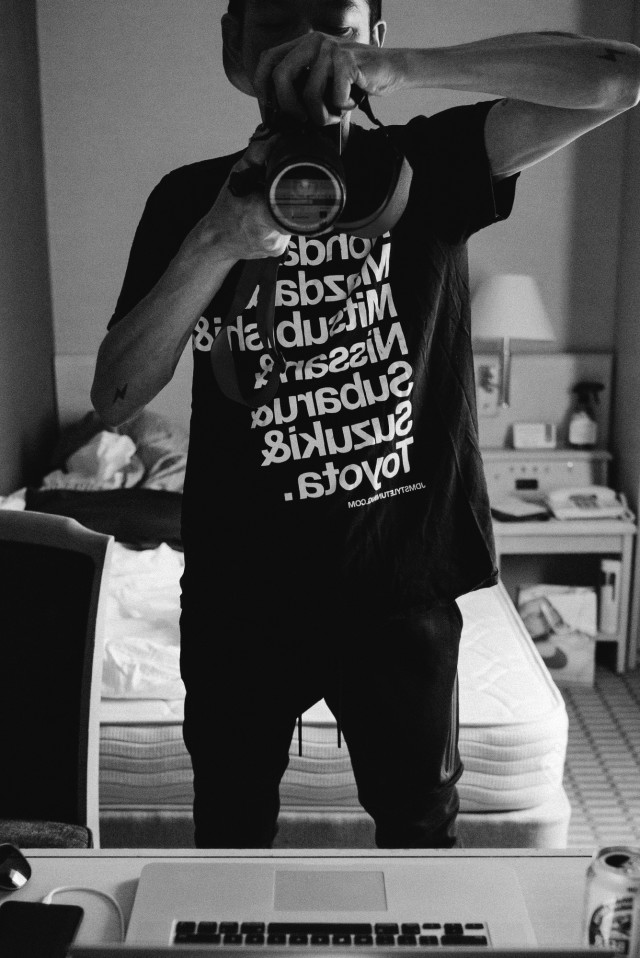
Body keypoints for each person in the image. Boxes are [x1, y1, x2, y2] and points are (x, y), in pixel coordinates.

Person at [91, 0, 640, 848]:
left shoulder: (431, 165)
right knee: (229, 835)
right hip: (240, 592)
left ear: (372, 39)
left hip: (401, 582)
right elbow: (116, 398)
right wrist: (216, 242)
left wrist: (407, 68)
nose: (307, 43)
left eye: (336, 21)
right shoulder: (191, 200)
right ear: (235, 47)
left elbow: (619, 77)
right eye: (277, 19)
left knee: (421, 835)